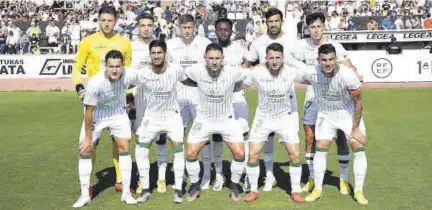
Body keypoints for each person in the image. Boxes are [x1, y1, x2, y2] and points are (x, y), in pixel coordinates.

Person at [289, 12, 360, 195]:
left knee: (341, 137)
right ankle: (313, 177)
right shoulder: (301, 46)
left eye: (319, 26)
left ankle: (343, 179)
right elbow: (289, 61)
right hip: (313, 96)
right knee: (310, 137)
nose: (315, 30)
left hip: (334, 97)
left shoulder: (334, 46)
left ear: (324, 26)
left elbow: (348, 64)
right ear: (307, 28)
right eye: (312, 27)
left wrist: (355, 73)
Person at [72, 50, 147, 208]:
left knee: (124, 148)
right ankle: (85, 195)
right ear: (105, 66)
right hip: (97, 114)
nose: (114, 70)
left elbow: (146, 76)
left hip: (117, 113)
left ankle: (126, 192)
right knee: (85, 150)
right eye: (111, 66)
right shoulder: (95, 82)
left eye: (118, 66)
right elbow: (89, 111)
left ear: (122, 65)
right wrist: (87, 138)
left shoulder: (130, 74)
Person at [71, 6, 132, 196]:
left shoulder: (124, 43)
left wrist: (129, 98)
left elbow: (128, 74)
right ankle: (88, 184)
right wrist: (80, 88)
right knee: (90, 143)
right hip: (94, 101)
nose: (107, 24)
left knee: (119, 142)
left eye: (110, 20)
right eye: (103, 20)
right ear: (98, 20)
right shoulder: (88, 42)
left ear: (116, 21)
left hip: (116, 102)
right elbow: (76, 68)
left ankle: (120, 180)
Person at [301, 44, 368, 205]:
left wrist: (356, 128)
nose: (328, 63)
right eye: (324, 60)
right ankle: (317, 188)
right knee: (320, 150)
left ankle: (358, 190)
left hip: (347, 113)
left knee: (358, 149)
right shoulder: (312, 72)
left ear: (336, 59)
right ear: (318, 60)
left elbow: (358, 102)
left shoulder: (348, 75)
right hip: (326, 114)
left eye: (331, 59)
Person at [240, 43, 305, 204]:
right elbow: (240, 84)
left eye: (278, 58)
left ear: (283, 58)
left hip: (285, 118)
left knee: (295, 154)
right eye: (271, 58)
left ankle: (295, 190)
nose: (274, 61)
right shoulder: (257, 72)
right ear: (266, 59)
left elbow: (313, 77)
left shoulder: (292, 72)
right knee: (253, 154)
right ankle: (253, 190)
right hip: (263, 117)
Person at [134, 40, 197, 204]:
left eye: (159, 53)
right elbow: (125, 80)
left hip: (172, 117)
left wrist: (204, 83)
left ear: (165, 54)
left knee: (178, 150)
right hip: (151, 117)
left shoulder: (175, 70)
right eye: (153, 53)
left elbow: (188, 81)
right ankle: (146, 189)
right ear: (150, 55)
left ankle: (178, 190)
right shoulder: (142, 73)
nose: (156, 56)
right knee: (141, 151)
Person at [183, 43, 248, 202]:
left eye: (217, 58)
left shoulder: (232, 72)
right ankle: (195, 186)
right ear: (204, 58)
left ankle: (234, 186)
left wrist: (233, 88)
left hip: (226, 120)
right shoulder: (196, 70)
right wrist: (198, 84)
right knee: (190, 153)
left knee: (240, 153)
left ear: (223, 59)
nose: (214, 61)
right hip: (203, 120)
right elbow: (182, 77)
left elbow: (249, 77)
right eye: (211, 58)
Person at [243, 8, 298, 192]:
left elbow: (298, 65)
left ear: (281, 21)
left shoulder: (291, 41)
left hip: (287, 100)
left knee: (291, 143)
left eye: (276, 21)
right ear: (265, 23)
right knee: (265, 140)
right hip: (265, 100)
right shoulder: (259, 42)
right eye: (270, 21)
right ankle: (269, 175)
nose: (273, 24)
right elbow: (248, 64)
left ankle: (295, 184)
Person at [166, 14, 212, 189]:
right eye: (183, 27)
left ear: (195, 27)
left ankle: (206, 174)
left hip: (200, 96)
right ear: (178, 27)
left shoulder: (204, 43)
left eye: (189, 27)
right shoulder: (170, 45)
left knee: (204, 135)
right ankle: (182, 173)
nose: (187, 31)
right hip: (177, 97)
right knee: (179, 135)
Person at [129, 13, 170, 195]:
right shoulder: (131, 47)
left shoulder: (159, 47)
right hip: (139, 100)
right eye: (142, 25)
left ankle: (161, 178)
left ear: (154, 26)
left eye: (149, 25)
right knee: (141, 141)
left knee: (161, 140)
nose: (146, 28)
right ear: (137, 27)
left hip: (160, 100)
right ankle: (142, 179)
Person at [211, 17, 250, 192]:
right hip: (218, 100)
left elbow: (248, 69)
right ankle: (219, 174)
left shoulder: (239, 48)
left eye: (226, 30)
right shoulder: (210, 50)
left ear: (231, 31)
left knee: (244, 135)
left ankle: (247, 174)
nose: (223, 33)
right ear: (215, 30)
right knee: (218, 136)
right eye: (220, 29)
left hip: (238, 97)